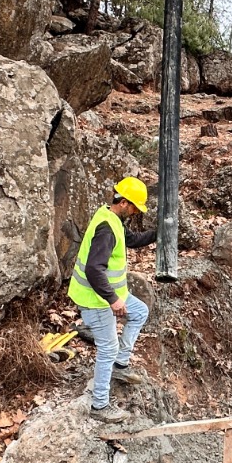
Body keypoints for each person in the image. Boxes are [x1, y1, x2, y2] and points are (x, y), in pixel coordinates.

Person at [68, 177, 156, 423]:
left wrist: (158, 234)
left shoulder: (112, 217)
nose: (137, 211)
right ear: (125, 202)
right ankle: (100, 406)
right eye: (136, 207)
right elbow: (94, 269)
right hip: (95, 298)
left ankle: (120, 366)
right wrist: (113, 300)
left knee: (139, 313)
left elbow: (130, 240)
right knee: (107, 347)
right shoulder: (106, 228)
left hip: (108, 293)